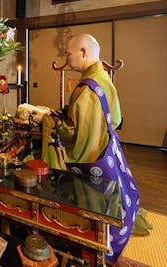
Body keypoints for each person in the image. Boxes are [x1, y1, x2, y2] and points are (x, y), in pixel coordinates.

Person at [41, 33, 143, 265]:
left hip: (91, 158)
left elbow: (78, 137)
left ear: (84, 52)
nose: (66, 58)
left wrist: (48, 120)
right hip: (107, 149)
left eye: (69, 53)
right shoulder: (103, 77)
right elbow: (115, 119)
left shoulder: (89, 89)